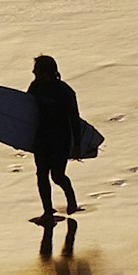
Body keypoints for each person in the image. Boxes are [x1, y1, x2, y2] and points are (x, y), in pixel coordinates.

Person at [25, 52, 85, 225]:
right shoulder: (35, 87)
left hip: (60, 138)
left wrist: (77, 144)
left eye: (36, 70)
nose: (33, 73)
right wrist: (20, 138)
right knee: (41, 175)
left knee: (57, 176)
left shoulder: (64, 91)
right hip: (41, 138)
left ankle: (71, 198)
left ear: (46, 72)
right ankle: (47, 211)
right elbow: (25, 113)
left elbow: (74, 118)